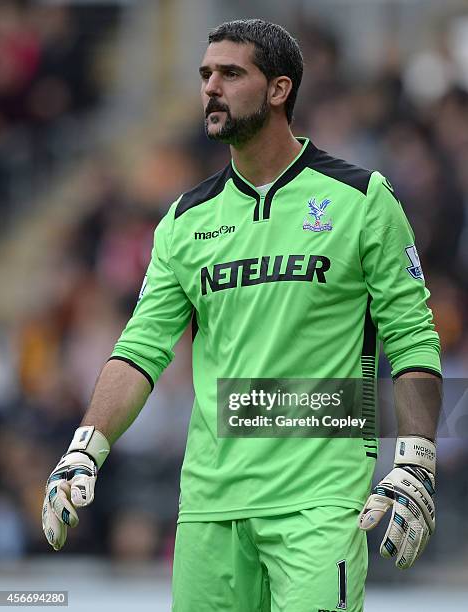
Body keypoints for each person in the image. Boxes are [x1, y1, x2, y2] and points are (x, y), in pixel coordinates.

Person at [42, 19, 442, 612]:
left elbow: (413, 338)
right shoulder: (185, 220)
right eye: (205, 74)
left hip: (320, 501)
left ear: (279, 89)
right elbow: (141, 348)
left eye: (231, 74)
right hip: (210, 504)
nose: (211, 87)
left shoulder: (362, 199)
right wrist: (85, 445)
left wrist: (416, 463)